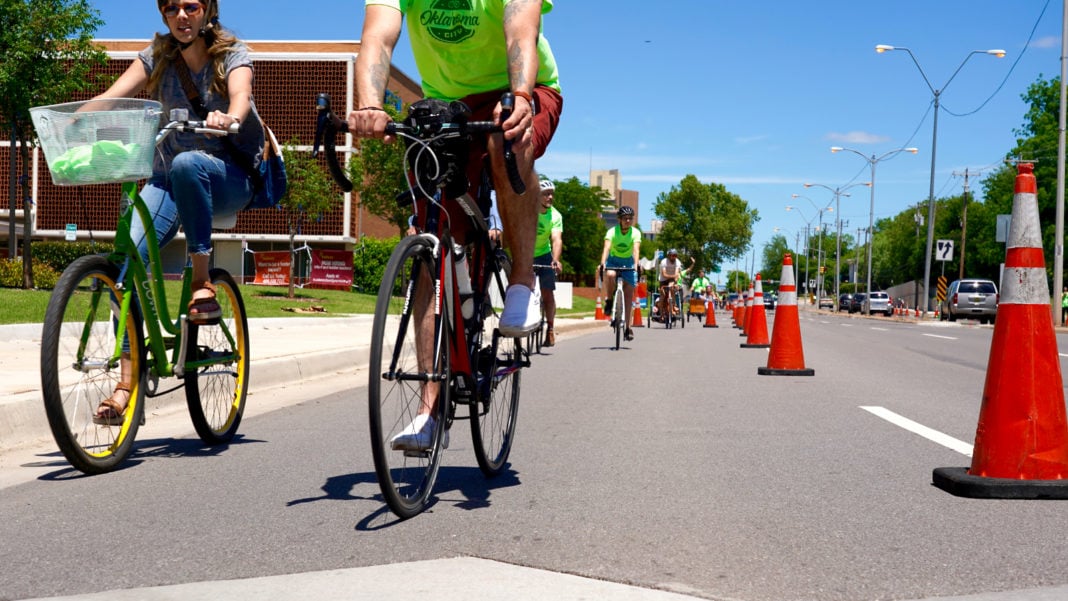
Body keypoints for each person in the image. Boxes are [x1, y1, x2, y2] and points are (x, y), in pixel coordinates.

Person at [350, 0, 563, 451]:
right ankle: (431, 409)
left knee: (508, 140)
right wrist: (369, 104)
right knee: (432, 244)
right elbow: (378, 39)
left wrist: (521, 96)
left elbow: (519, 32)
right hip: (447, 104)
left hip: (524, 87)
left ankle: (521, 280)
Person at [89, 0, 265, 423]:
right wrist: (75, 119)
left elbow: (241, 96)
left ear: (208, 10)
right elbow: (112, 95)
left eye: (190, 6)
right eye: (171, 8)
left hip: (228, 176)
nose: (181, 16)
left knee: (189, 163)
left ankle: (202, 281)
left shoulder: (232, 53)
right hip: (168, 179)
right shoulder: (158, 56)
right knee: (125, 263)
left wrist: (229, 118)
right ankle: (126, 385)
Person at [599, 206, 642, 341]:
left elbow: (636, 250)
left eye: (630, 218)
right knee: (610, 275)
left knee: (629, 297)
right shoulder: (612, 231)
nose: (628, 221)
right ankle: (610, 300)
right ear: (619, 219)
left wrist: (636, 265)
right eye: (625, 218)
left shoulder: (635, 233)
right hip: (613, 260)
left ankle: (628, 328)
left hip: (628, 262)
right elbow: (606, 247)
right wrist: (602, 263)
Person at [534, 178, 563, 346]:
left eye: (552, 194)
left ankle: (550, 329)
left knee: (547, 293)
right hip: (526, 253)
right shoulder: (528, 209)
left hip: (545, 255)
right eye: (546, 194)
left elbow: (556, 239)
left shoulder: (556, 215)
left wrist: (555, 259)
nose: (550, 197)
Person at [658, 249, 685, 318]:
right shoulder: (664, 262)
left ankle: (674, 305)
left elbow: (677, 274)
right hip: (663, 280)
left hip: (671, 279)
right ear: (669, 256)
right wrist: (674, 276)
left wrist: (675, 281)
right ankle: (661, 313)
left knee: (672, 288)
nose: (674, 257)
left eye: (675, 255)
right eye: (673, 255)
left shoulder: (678, 262)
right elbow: (664, 274)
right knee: (663, 295)